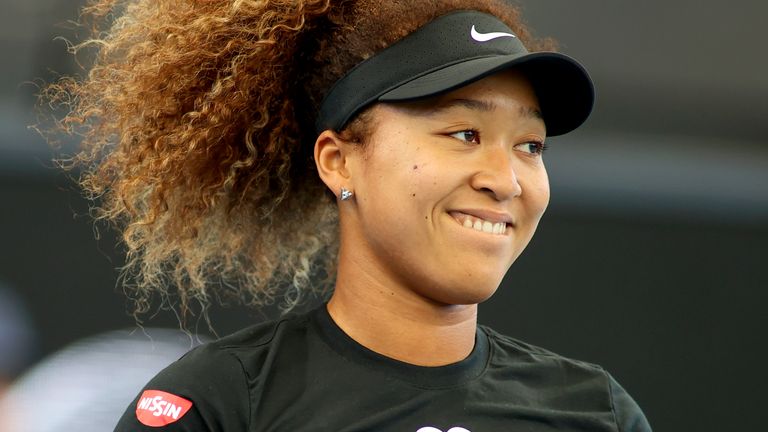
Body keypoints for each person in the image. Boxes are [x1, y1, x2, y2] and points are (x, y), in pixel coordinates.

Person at [45, 0, 652, 430]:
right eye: (465, 133)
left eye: (531, 146)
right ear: (339, 162)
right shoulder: (221, 403)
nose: (505, 179)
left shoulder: (596, 412)